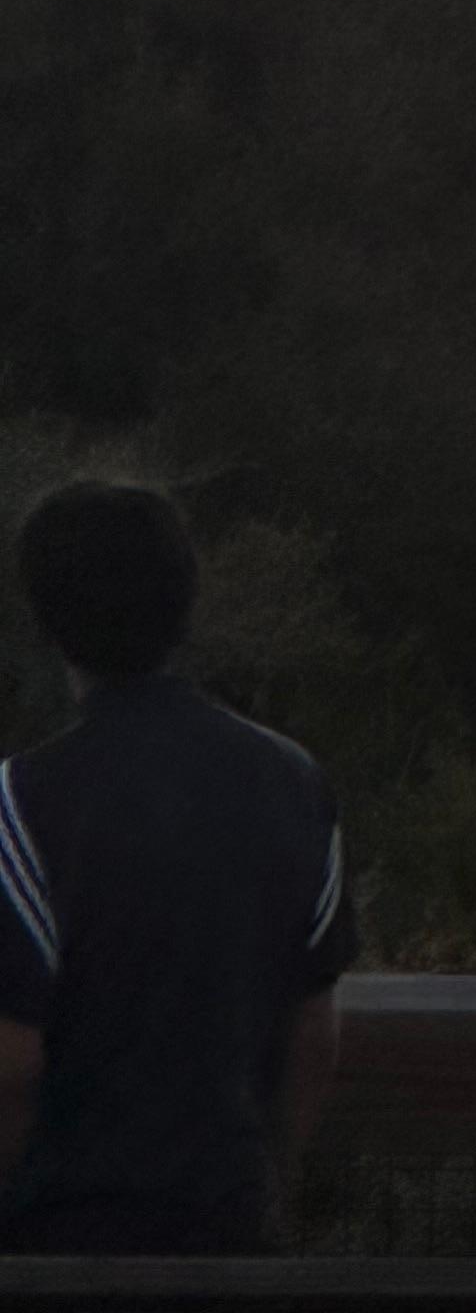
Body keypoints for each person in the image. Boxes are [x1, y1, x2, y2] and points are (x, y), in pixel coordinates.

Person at [0, 481, 356, 1255]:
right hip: (228, 1233)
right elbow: (313, 1033)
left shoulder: (23, 803)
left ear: (47, 620)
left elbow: (13, 1063)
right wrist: (272, 1193)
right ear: (185, 602)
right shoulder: (294, 782)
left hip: (62, 1245)